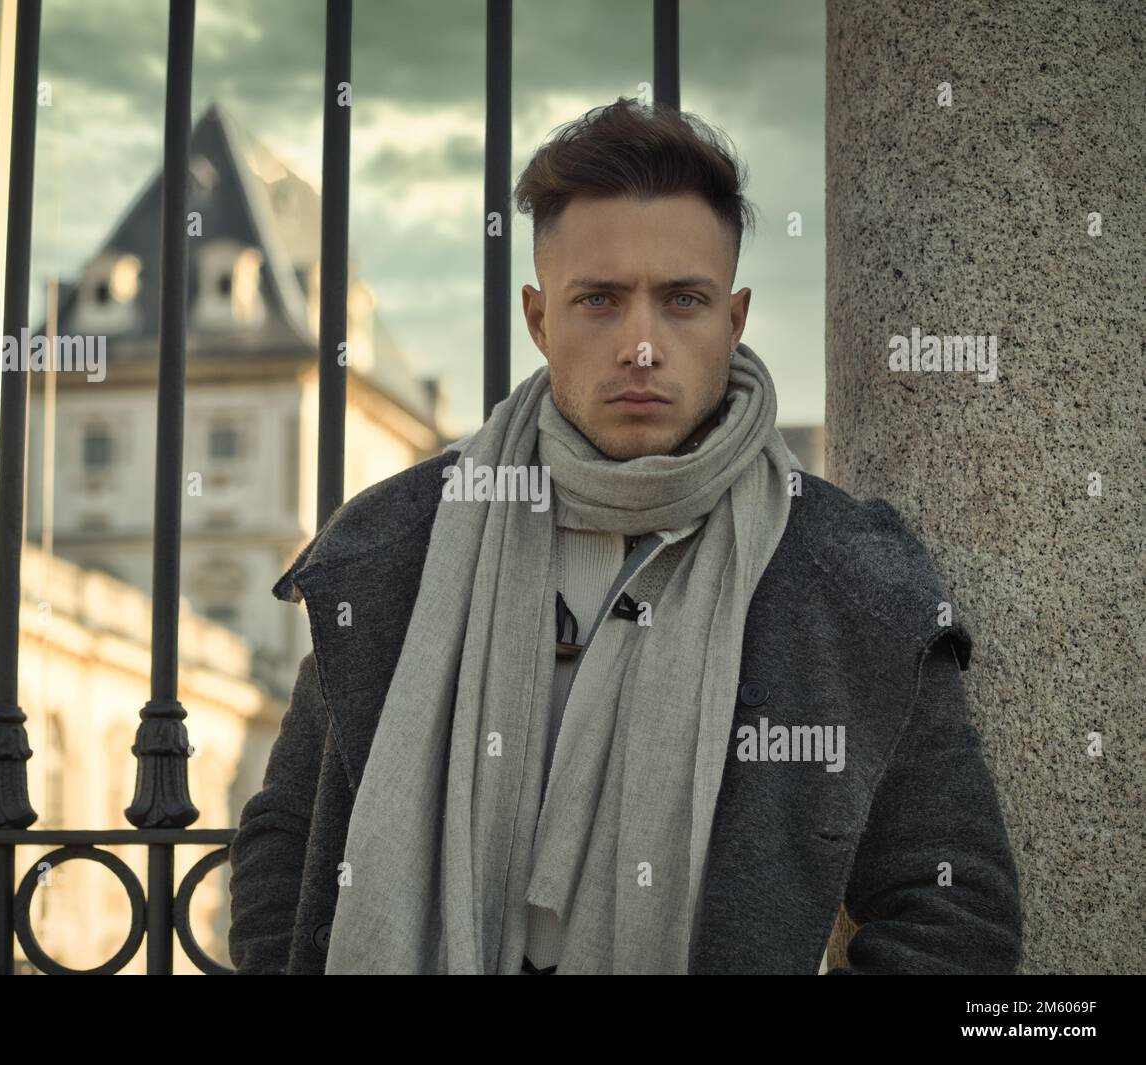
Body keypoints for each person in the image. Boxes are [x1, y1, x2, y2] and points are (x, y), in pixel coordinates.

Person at [227, 97, 1021, 975]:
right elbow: (286, 836)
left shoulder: (848, 579)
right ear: (538, 319)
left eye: (682, 300)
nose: (641, 346)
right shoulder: (394, 549)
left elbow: (952, 912)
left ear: (735, 317)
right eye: (599, 301)